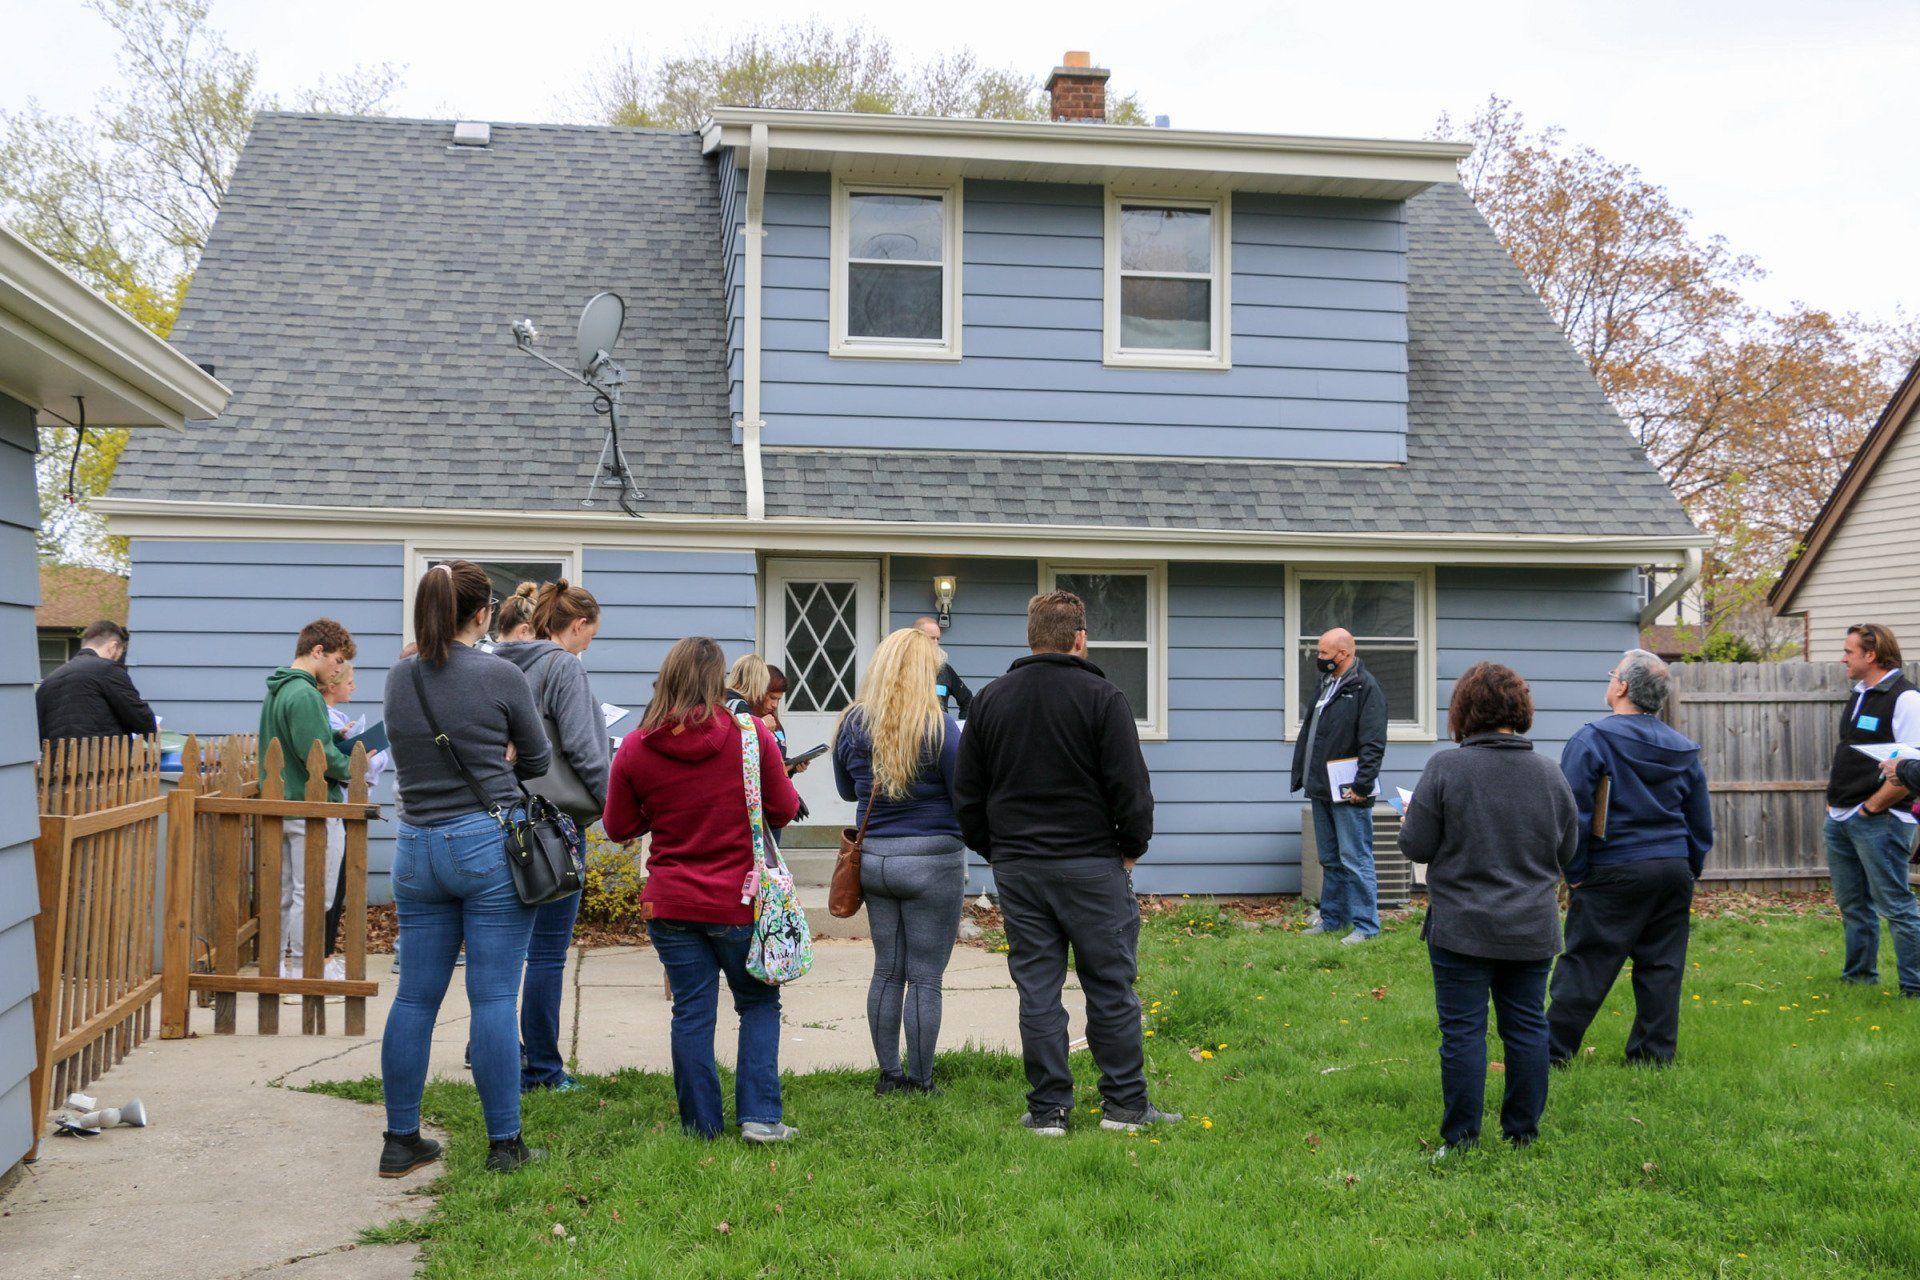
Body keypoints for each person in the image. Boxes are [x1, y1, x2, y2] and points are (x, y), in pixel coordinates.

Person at [953, 590, 1173, 1137]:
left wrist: (997, 850)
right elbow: (1133, 791)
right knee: (1109, 986)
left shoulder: (989, 701)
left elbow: (968, 796)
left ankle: (1049, 1109)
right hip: (1093, 865)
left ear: (1031, 639)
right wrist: (1130, 851)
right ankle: (1124, 1107)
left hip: (1021, 869)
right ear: (1080, 639)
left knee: (1039, 990)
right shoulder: (1103, 698)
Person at [378, 561, 552, 1178]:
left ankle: (401, 1139)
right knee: (495, 995)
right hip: (484, 845)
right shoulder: (501, 675)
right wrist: (501, 752)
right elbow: (536, 757)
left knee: (415, 998)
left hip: (415, 848)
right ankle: (505, 1144)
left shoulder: (400, 679)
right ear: (483, 615)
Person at [603, 637, 803, 1142]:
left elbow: (618, 826)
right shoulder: (751, 734)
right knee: (757, 1003)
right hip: (739, 899)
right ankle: (759, 1117)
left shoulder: (636, 745)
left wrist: (662, 811)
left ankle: (701, 1126)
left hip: (671, 900)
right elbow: (781, 809)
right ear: (718, 682)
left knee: (691, 1009)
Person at [1398, 662, 1578, 1158]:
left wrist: (1415, 813)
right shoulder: (1549, 772)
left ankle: (1460, 1142)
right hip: (1532, 925)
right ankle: (1522, 1134)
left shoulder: (1445, 768)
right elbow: (1569, 851)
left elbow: (1415, 846)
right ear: (1519, 710)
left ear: (1464, 711)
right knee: (1526, 1027)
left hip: (1462, 926)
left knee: (1463, 1032)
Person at [1546, 650, 1713, 1067]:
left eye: (1612, 675)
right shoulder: (1683, 749)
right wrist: (1690, 865)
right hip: (1672, 868)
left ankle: (1550, 1053)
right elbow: (1699, 818)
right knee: (1662, 966)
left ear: (1621, 686)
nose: (1609, 681)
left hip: (1614, 867)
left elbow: (1573, 814)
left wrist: (1576, 872)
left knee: (1586, 962)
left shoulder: (1593, 739)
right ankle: (1653, 1058)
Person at [833, 628, 967, 1096]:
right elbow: (962, 793)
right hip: (932, 859)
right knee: (925, 978)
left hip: (876, 860)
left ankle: (889, 1076)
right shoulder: (939, 726)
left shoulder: (853, 723)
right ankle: (922, 1080)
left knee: (887, 970)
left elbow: (849, 790)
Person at [493, 579, 608, 1093]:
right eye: (591, 634)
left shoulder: (494, 661)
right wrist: (616, 807)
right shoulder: (562, 667)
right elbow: (585, 751)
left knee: (501, 951)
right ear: (577, 625)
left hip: (498, 819)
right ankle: (542, 1068)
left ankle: (495, 1054)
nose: (588, 645)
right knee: (546, 954)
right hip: (554, 825)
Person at [1821, 623, 1920, 996]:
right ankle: (1858, 979)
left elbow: (1913, 768)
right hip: (1841, 816)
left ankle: (1914, 988)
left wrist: (1871, 809)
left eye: (1848, 652)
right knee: (1853, 906)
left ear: (1871, 654)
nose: (1842, 658)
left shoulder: (1906, 699)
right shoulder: (1860, 692)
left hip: (1881, 819)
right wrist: (1838, 806)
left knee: (1896, 905)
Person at [259, 619, 357, 982]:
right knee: (314, 895)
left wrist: (331, 734)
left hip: (284, 801)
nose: (338, 670)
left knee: (287, 894)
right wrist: (352, 765)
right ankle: (302, 971)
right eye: (337, 660)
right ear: (318, 651)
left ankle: (277, 971)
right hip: (309, 806)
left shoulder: (280, 688)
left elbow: (294, 739)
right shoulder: (304, 694)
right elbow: (317, 755)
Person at [1289, 626, 1389, 943]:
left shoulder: (1365, 688)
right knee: (1330, 860)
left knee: (1356, 860)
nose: (1318, 658)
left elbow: (1373, 743)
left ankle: (1366, 927)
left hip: (1350, 792)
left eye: (1323, 654)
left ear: (1343, 654)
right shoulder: (1327, 685)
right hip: (1321, 788)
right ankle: (1332, 920)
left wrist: (1361, 785)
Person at [35, 619, 158, 741]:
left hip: (57, 759)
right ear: (113, 647)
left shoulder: (48, 682)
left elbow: (38, 730)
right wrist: (153, 728)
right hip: (102, 758)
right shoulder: (108, 670)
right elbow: (141, 719)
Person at [914, 616, 973, 719]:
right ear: (916, 639)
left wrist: (962, 728)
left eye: (938, 638)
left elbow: (968, 701)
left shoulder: (945, 670)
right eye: (932, 638)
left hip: (940, 731)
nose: (936, 643)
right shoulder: (902, 668)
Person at [480, 582, 539, 653]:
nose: (536, 644)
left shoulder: (477, 646)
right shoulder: (514, 661)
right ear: (523, 630)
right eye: (534, 638)